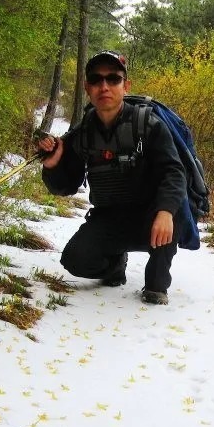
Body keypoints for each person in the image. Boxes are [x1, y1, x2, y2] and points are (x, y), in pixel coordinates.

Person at [37, 50, 187, 305]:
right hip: (110, 218)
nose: (103, 86)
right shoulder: (83, 133)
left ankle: (157, 281)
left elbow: (174, 172)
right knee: (75, 260)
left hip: (152, 217)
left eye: (113, 79)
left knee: (175, 215)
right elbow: (66, 186)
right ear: (87, 87)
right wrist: (52, 166)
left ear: (125, 86)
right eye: (95, 80)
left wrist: (165, 211)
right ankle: (115, 265)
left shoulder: (148, 125)